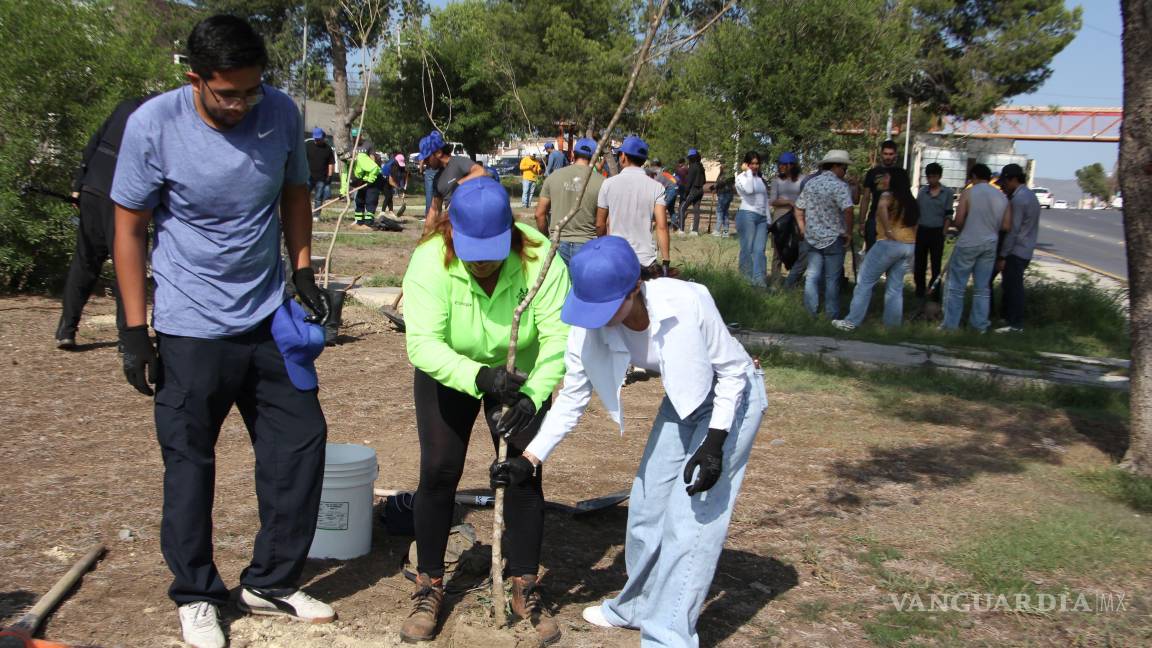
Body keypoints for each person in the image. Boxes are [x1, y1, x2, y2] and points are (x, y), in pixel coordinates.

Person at [110, 16, 336, 648]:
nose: (241, 104)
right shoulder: (154, 125)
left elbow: (295, 191)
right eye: (227, 93)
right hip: (188, 324)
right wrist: (135, 327)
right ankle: (197, 594)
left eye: (251, 91)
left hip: (267, 315)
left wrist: (302, 270)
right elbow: (128, 226)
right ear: (196, 80)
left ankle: (270, 582)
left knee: (300, 444)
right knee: (190, 462)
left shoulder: (281, 114)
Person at [515, 235, 766, 647]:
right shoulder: (589, 326)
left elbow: (735, 373)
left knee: (693, 518)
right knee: (647, 506)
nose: (596, 318)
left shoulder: (688, 301)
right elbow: (573, 399)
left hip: (733, 399)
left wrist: (716, 441)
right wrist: (530, 457)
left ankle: (670, 635)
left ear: (634, 287)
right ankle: (638, 605)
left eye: (605, 306)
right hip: (685, 400)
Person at [400, 177, 570, 645]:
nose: (482, 262)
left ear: (511, 235)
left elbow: (559, 339)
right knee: (438, 470)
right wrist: (477, 376)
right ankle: (430, 583)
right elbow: (424, 344)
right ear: (452, 233)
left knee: (523, 473)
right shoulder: (429, 261)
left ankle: (524, 585)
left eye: (492, 251)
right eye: (472, 251)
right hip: (451, 371)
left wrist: (533, 394)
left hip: (520, 375)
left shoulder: (542, 259)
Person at [55, 95, 153, 349]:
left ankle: (66, 329)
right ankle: (127, 335)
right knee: (127, 259)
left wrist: (79, 184)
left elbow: (93, 144)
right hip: (121, 196)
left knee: (84, 260)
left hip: (92, 188)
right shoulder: (162, 116)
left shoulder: (125, 105)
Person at [832, 170, 919, 330]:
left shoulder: (888, 195)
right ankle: (892, 326)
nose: (883, 179)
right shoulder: (910, 200)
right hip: (909, 245)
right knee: (895, 287)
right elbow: (916, 226)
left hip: (888, 244)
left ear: (894, 180)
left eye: (887, 176)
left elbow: (881, 207)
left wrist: (887, 229)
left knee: (864, 281)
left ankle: (851, 322)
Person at [941, 164, 1012, 332]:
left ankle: (951, 325)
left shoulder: (969, 192)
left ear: (973, 176)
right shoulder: (1002, 197)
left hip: (968, 242)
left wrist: (959, 225)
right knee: (982, 287)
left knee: (957, 286)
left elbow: (958, 222)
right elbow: (1007, 226)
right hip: (990, 245)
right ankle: (979, 325)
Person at [595, 135, 672, 278]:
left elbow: (600, 224)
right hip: (646, 260)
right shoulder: (657, 187)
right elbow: (662, 226)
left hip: (617, 258)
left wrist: (602, 247)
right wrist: (666, 262)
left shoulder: (608, 184)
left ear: (623, 156)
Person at [795, 150, 855, 319]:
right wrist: (849, 232)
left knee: (812, 276)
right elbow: (849, 210)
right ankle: (831, 314)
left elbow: (799, 207)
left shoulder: (811, 183)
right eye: (844, 168)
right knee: (832, 279)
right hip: (834, 238)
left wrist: (802, 228)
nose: (845, 172)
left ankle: (810, 312)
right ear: (836, 166)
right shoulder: (840, 186)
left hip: (813, 237)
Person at [535, 137, 604, 264]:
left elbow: (539, 214)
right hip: (587, 244)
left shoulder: (554, 176)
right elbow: (601, 223)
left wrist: (547, 237)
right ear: (596, 156)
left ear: (573, 154)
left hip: (557, 242)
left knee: (560, 283)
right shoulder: (602, 182)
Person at [994, 163, 1040, 333]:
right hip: (1026, 249)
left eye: (1005, 183)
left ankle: (1015, 324)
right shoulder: (1030, 196)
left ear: (1013, 179)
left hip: (1016, 251)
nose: (1003, 187)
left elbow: (1013, 231)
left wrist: (1003, 256)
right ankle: (1008, 319)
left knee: (1014, 288)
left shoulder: (1018, 200)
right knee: (1010, 286)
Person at [420, 130, 487, 234]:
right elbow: (434, 210)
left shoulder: (458, 162)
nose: (424, 162)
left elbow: (481, 171)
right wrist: (424, 236)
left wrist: (459, 184)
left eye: (427, 158)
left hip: (471, 224)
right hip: (453, 228)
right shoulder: (437, 178)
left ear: (438, 153)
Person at [860, 140, 910, 252]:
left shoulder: (902, 173)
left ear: (895, 155)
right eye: (886, 154)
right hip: (874, 219)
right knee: (872, 255)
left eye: (891, 154)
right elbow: (866, 197)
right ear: (881, 154)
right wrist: (862, 222)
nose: (888, 157)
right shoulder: (872, 173)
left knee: (893, 256)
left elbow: (907, 198)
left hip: (895, 221)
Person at [913, 162, 954, 300]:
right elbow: (917, 213)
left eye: (934, 177)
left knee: (936, 265)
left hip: (937, 231)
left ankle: (935, 293)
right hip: (922, 230)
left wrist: (944, 231)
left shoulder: (947, 193)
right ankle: (919, 291)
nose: (931, 180)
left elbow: (949, 214)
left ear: (939, 177)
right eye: (929, 177)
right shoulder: (923, 192)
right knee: (919, 264)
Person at [734, 151, 770, 286]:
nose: (755, 166)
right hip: (747, 214)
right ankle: (745, 279)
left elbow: (765, 199)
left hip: (761, 217)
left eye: (757, 163)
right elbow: (749, 190)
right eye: (752, 164)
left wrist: (769, 220)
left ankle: (759, 280)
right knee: (747, 248)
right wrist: (748, 172)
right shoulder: (741, 177)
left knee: (760, 250)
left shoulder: (760, 179)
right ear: (746, 164)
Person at [767, 152, 802, 276]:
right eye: (780, 164)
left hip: (797, 219)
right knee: (778, 251)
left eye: (784, 164)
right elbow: (772, 201)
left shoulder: (801, 179)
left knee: (796, 248)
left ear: (791, 165)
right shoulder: (776, 181)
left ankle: (793, 280)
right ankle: (775, 280)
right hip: (780, 219)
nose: (781, 167)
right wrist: (789, 202)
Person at [343, 143, 382, 227]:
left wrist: (370, 180)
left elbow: (374, 168)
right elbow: (345, 177)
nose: (348, 162)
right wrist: (343, 191)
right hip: (364, 181)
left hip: (374, 178)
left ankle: (368, 223)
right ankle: (359, 222)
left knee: (370, 200)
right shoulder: (348, 165)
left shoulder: (361, 158)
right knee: (359, 200)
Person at [305, 127, 334, 214]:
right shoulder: (307, 146)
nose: (317, 140)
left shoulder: (328, 149)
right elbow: (301, 159)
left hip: (321, 178)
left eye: (319, 139)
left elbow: (331, 163)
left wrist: (329, 176)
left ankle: (316, 214)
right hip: (308, 176)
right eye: (316, 138)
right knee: (304, 196)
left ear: (323, 137)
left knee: (318, 197)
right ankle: (303, 213)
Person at [677, 148, 706, 235]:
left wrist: (685, 193)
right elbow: (704, 180)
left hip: (693, 190)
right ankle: (695, 231)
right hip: (700, 190)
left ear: (690, 158)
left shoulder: (692, 167)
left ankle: (681, 230)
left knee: (682, 208)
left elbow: (688, 182)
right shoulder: (701, 167)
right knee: (696, 210)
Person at [712, 165, 734, 238]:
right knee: (725, 213)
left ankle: (717, 231)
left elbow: (721, 183)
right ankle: (725, 232)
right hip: (727, 194)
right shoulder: (728, 173)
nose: (720, 166)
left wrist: (715, 186)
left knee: (719, 211)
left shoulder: (726, 174)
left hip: (724, 195)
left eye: (721, 165)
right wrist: (715, 187)